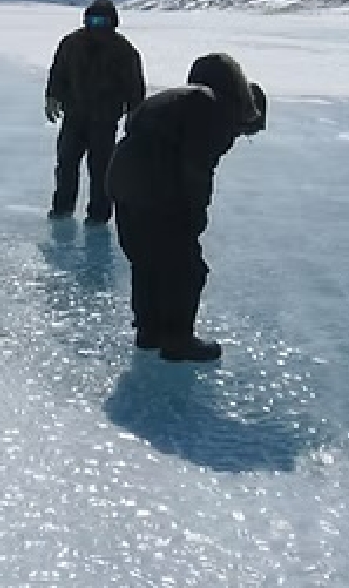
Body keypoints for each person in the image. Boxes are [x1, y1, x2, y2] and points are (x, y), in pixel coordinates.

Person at [105, 52, 267, 361]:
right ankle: (178, 340)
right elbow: (196, 169)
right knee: (187, 270)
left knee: (147, 262)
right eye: (246, 129)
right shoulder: (212, 109)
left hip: (123, 184)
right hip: (154, 190)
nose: (239, 136)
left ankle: (149, 332)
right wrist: (193, 217)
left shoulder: (181, 99)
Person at [44, 0, 146, 225]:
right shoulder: (71, 43)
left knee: (101, 170)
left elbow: (134, 86)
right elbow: (58, 72)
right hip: (74, 117)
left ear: (113, 22)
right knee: (66, 165)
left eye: (103, 21)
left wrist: (135, 116)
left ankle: (99, 216)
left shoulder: (124, 49)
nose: (97, 25)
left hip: (105, 120)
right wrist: (51, 96)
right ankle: (61, 209)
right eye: (93, 20)